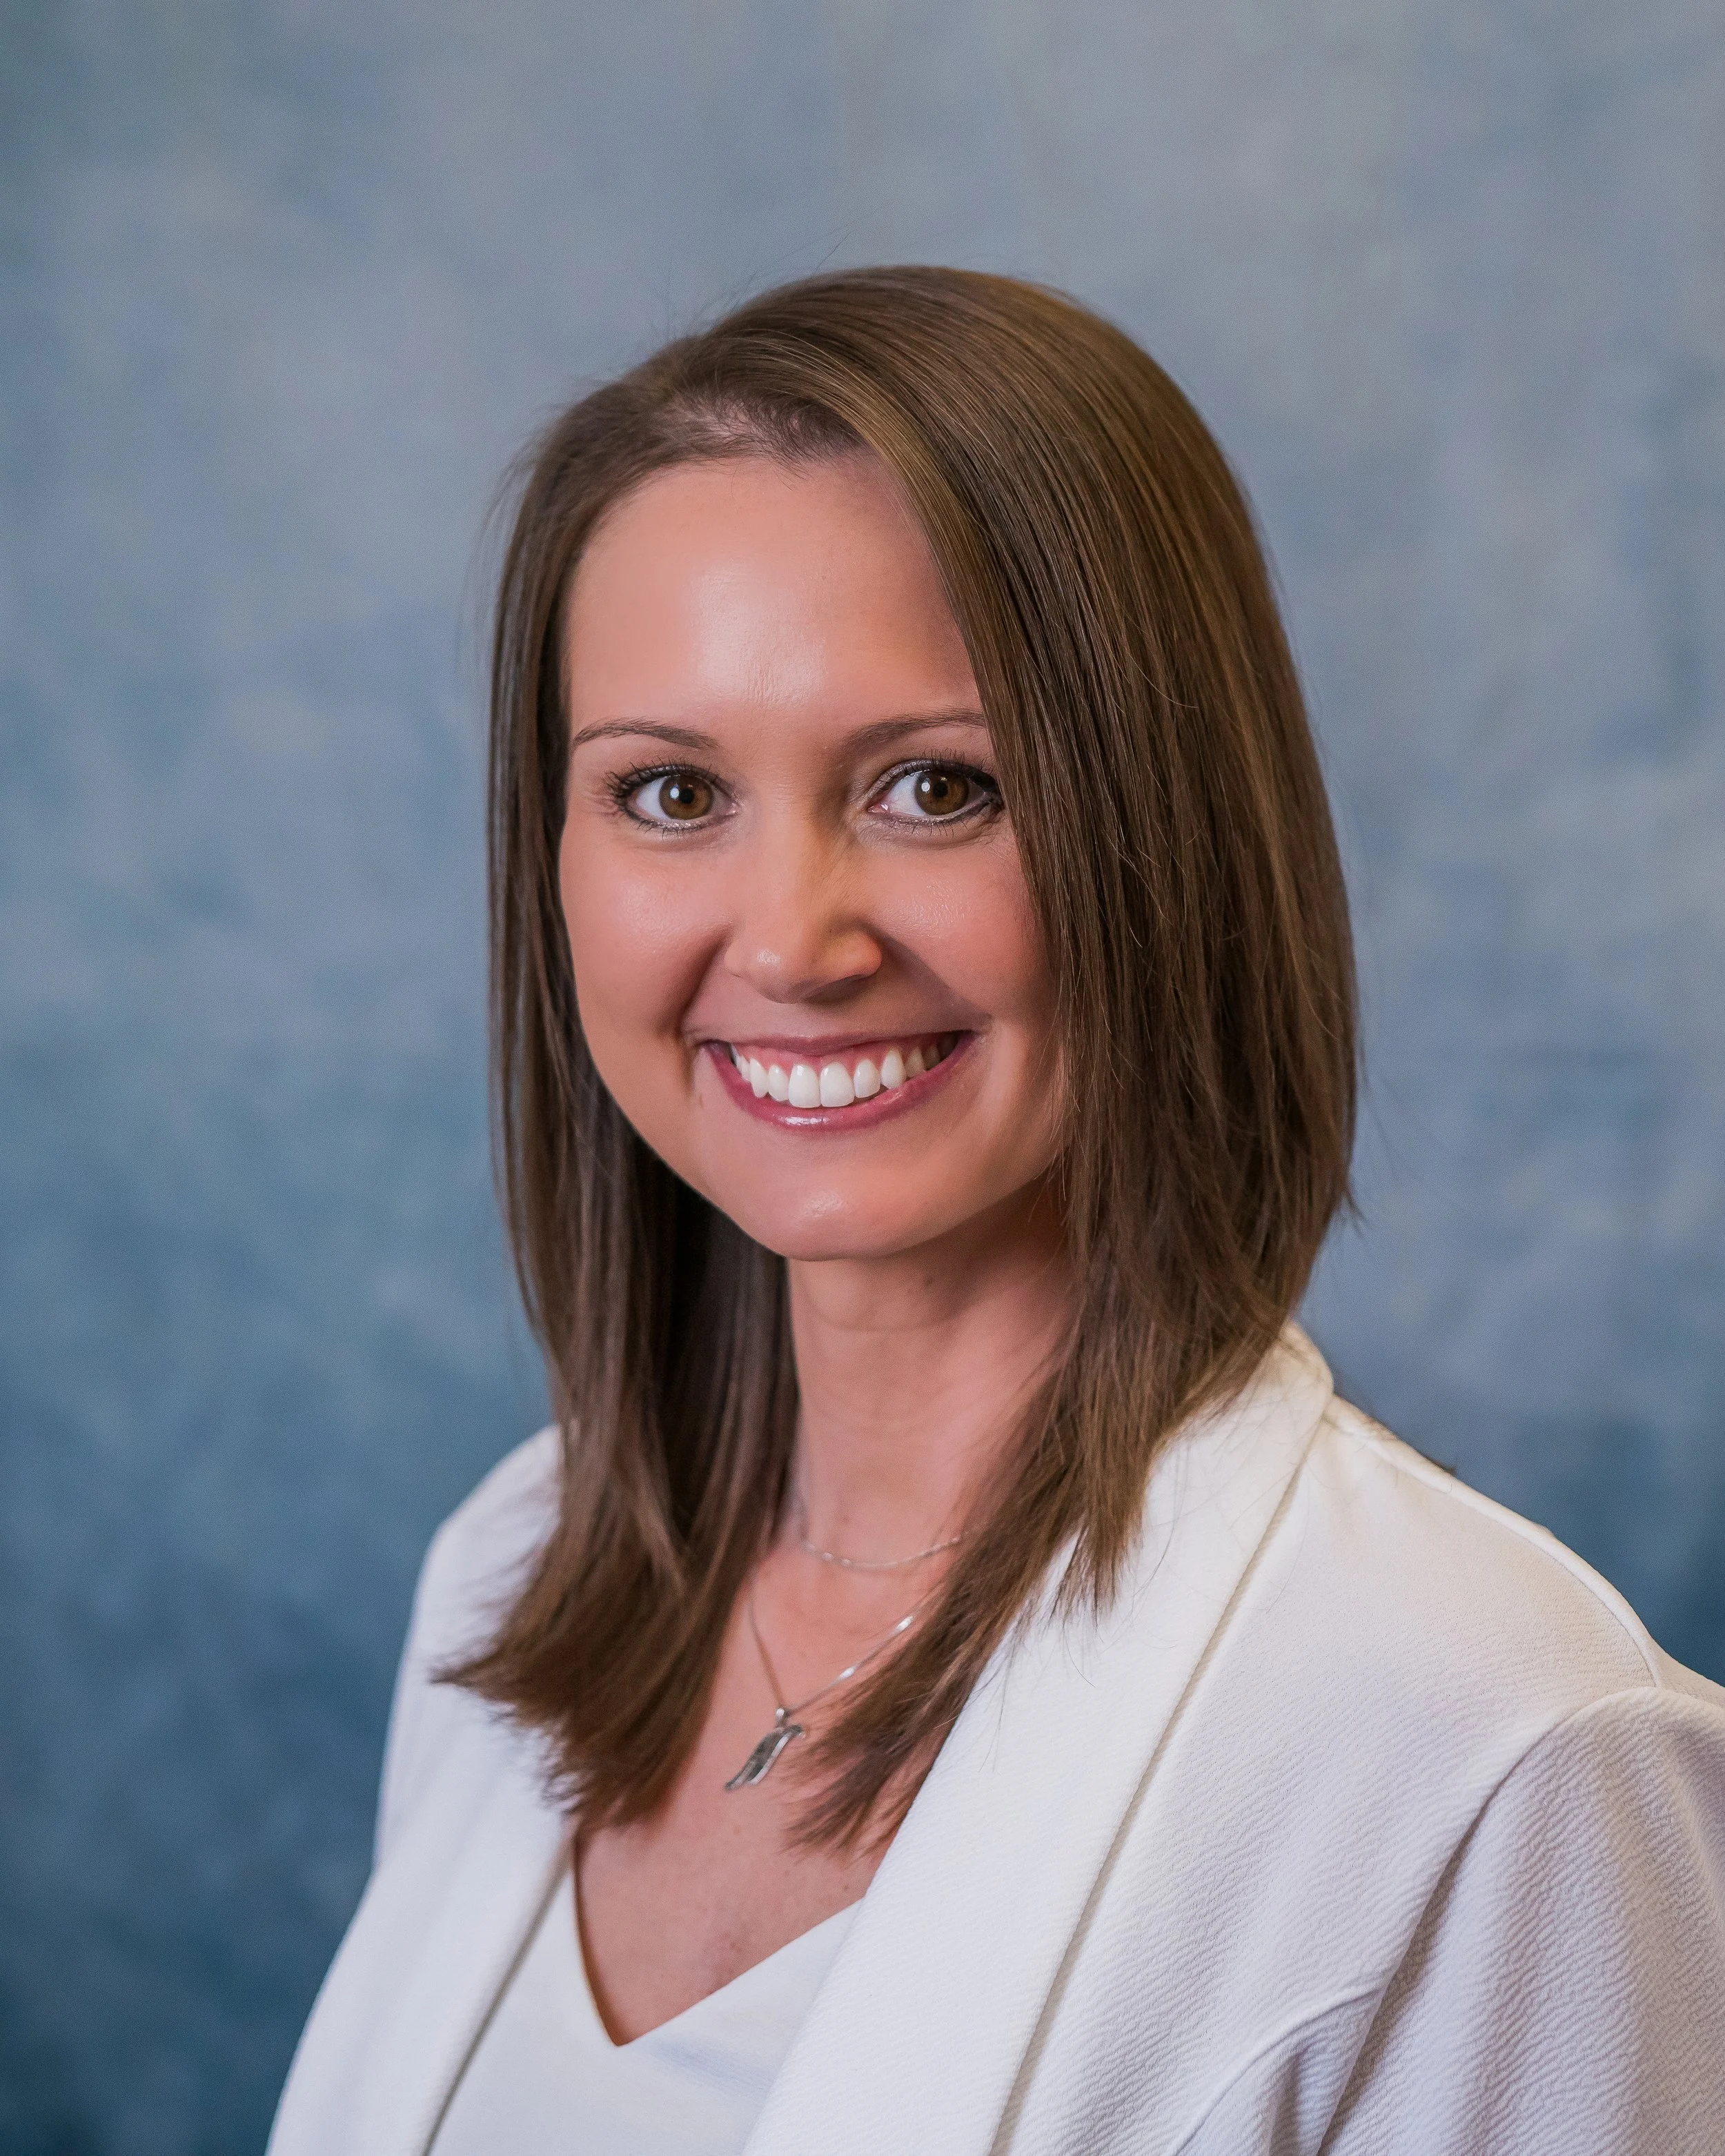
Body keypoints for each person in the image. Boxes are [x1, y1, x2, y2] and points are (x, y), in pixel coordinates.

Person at [267, 267, 1725, 2156]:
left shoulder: (1499, 1745)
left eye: (934, 785)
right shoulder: (515, 1567)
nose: (792, 938)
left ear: (1164, 829)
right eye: (669, 789)